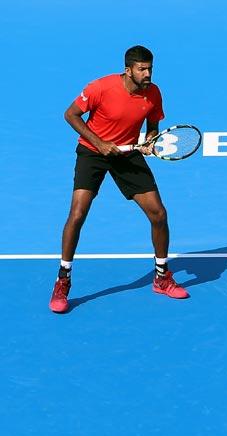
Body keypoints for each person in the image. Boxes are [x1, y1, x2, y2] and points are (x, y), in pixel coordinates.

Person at [49, 45, 189, 313]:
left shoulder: (153, 92)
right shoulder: (100, 88)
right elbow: (71, 115)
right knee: (77, 214)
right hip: (92, 153)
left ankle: (161, 277)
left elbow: (153, 125)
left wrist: (149, 142)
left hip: (126, 154)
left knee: (158, 214)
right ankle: (63, 279)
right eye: (142, 69)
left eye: (150, 68)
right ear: (128, 70)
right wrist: (99, 143)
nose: (147, 73)